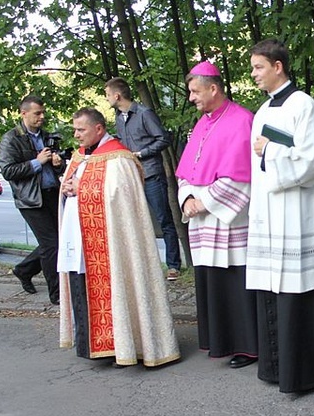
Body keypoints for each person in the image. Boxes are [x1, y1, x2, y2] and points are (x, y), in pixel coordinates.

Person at [247, 38, 314, 393]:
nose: (254, 74)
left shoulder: (303, 106)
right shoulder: (263, 111)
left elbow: (311, 163)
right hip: (271, 212)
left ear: (278, 66)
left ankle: (309, 369)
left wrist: (269, 153)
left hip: (298, 211)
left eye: (259, 67)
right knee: (276, 290)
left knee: (303, 288)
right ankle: (278, 367)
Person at [57, 108, 180, 368]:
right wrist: (66, 188)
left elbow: (121, 197)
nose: (76, 135)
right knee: (82, 287)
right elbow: (72, 186)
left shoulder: (119, 159)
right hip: (79, 240)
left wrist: (82, 188)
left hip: (111, 244)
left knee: (115, 288)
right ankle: (91, 347)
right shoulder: (79, 157)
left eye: (81, 130)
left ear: (99, 129)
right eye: (75, 129)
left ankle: (122, 345)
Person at [175, 61, 258, 368]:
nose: (191, 98)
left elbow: (242, 176)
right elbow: (186, 172)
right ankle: (221, 342)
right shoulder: (203, 123)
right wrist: (187, 198)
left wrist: (204, 201)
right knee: (213, 281)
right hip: (203, 219)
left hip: (227, 219)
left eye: (195, 91)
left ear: (213, 88)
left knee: (235, 281)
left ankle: (247, 346)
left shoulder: (241, 121)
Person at [104, 77, 181, 281]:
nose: (106, 99)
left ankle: (173, 265)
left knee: (164, 219)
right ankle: (142, 266)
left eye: (107, 94)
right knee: (135, 221)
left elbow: (163, 138)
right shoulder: (119, 118)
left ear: (117, 95)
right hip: (130, 175)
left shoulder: (145, 113)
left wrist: (142, 153)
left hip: (151, 174)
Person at [0, 95, 63, 304]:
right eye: (37, 113)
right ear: (23, 113)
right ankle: (57, 294)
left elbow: (57, 168)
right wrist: (36, 162)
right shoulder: (11, 138)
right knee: (51, 244)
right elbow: (8, 171)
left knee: (55, 242)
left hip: (52, 193)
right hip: (30, 200)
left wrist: (57, 163)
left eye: (43, 113)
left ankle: (24, 270)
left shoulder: (47, 136)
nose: (42, 117)